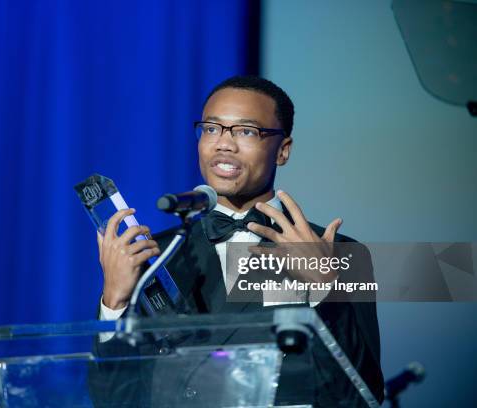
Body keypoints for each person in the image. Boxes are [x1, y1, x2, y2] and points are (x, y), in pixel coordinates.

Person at [93, 75, 384, 406]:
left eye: (246, 131)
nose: (223, 144)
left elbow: (364, 395)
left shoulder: (340, 251)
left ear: (283, 151)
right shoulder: (156, 255)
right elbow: (114, 400)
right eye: (211, 128)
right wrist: (113, 305)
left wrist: (325, 292)